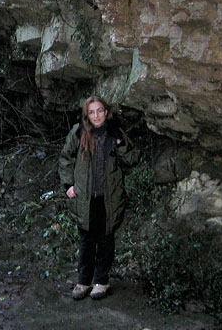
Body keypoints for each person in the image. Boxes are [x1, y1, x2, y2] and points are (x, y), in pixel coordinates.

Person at [58, 95, 139, 300]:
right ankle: (83, 281)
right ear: (87, 114)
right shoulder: (78, 132)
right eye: (92, 112)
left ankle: (101, 282)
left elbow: (132, 160)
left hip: (109, 198)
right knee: (86, 240)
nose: (96, 115)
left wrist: (120, 144)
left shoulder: (115, 133)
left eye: (100, 111)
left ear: (106, 112)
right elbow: (66, 159)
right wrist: (68, 185)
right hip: (85, 197)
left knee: (105, 240)